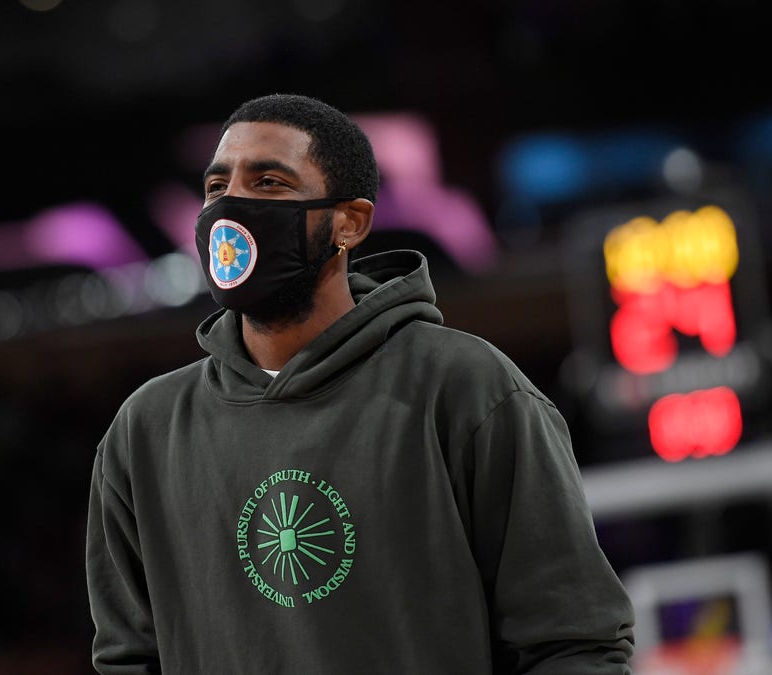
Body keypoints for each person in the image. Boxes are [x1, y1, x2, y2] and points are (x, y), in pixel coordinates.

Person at [86, 93, 634, 673]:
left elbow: (574, 642)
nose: (231, 207)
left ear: (350, 222)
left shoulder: (467, 388)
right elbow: (127, 660)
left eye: (269, 183)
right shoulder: (144, 431)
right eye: (218, 188)